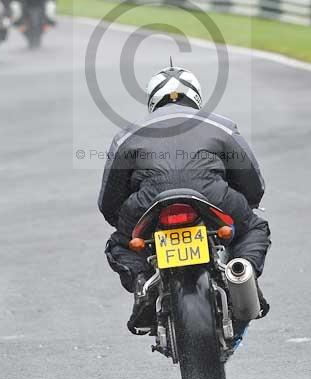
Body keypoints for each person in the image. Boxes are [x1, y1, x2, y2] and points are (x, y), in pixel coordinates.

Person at [98, 63, 271, 340]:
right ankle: (242, 269)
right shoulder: (222, 125)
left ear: (153, 99)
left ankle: (143, 280)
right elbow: (252, 182)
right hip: (213, 195)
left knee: (120, 242)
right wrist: (244, 206)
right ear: (196, 96)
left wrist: (126, 225)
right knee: (253, 228)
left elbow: (109, 200)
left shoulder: (126, 135)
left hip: (149, 202)